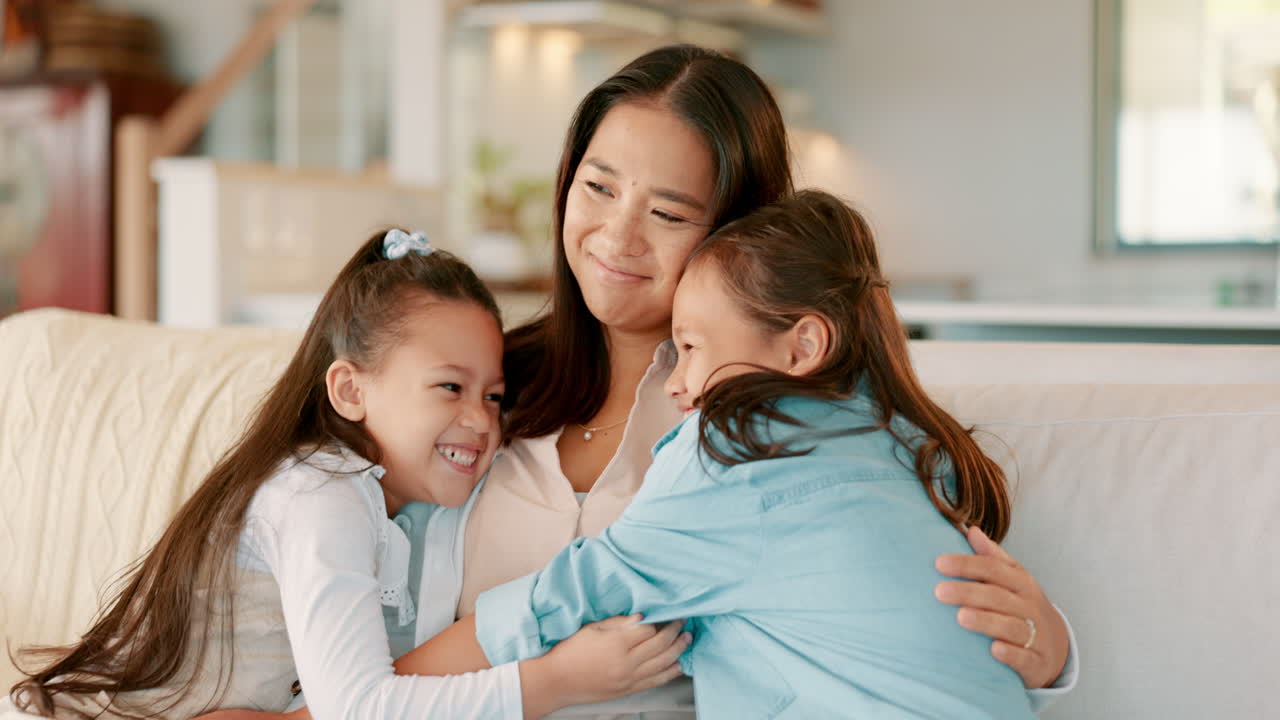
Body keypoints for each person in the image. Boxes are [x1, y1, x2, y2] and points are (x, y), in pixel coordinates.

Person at [456, 44, 1076, 716]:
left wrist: (1054, 649)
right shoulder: (480, 381)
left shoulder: (773, 422)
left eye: (668, 213)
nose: (619, 235)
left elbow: (902, 622)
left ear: (738, 236)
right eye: (599, 187)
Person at [402, 189, 1040, 718]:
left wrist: (362, 699)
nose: (676, 380)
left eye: (692, 348)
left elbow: (563, 595)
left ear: (802, 347)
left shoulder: (737, 450)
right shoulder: (905, 442)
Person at [5, 230, 686, 720]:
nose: (480, 421)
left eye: (493, 396)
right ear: (351, 391)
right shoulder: (320, 495)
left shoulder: (411, 502)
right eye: (449, 388)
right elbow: (361, 709)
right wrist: (555, 682)